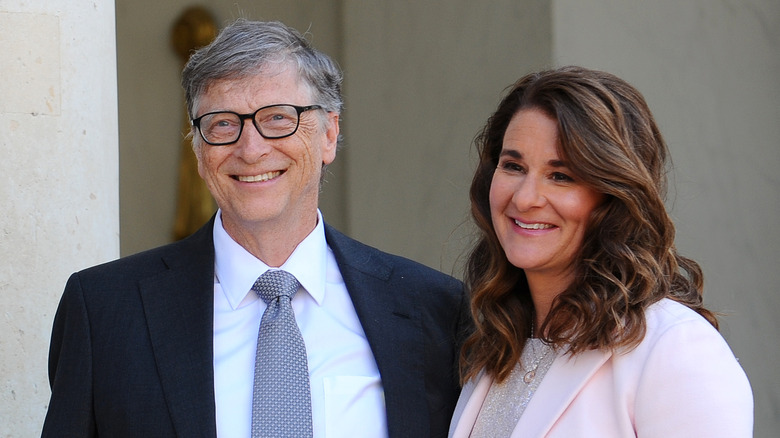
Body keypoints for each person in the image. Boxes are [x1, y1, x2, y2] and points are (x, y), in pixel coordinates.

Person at [42, 19, 469, 438]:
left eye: (279, 118)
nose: (251, 149)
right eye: (223, 124)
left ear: (329, 134)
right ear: (197, 149)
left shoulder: (432, 309)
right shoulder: (104, 312)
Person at [448, 66, 753, 438]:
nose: (525, 198)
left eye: (561, 176)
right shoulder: (493, 346)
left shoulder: (674, 349)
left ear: (614, 196)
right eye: (513, 166)